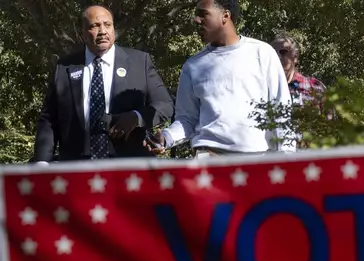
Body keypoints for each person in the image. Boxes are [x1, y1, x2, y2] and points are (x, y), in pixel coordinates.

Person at [146, 0, 294, 158]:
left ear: (225, 16)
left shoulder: (262, 53)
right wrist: (166, 138)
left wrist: (287, 158)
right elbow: (187, 119)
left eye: (203, 14)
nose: (196, 20)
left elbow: (281, 110)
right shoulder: (193, 66)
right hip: (208, 160)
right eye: (196, 15)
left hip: (257, 161)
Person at [33, 5, 174, 163]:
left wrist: (137, 117)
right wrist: (42, 163)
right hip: (76, 169)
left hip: (128, 168)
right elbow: (49, 119)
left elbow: (165, 105)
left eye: (107, 25)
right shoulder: (65, 67)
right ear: (82, 33)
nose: (102, 32)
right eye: (94, 26)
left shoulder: (139, 62)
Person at [270, 34, 328, 109]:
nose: (277, 56)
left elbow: (330, 119)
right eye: (273, 53)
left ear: (295, 57)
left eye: (282, 52)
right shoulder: (262, 88)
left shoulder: (315, 87)